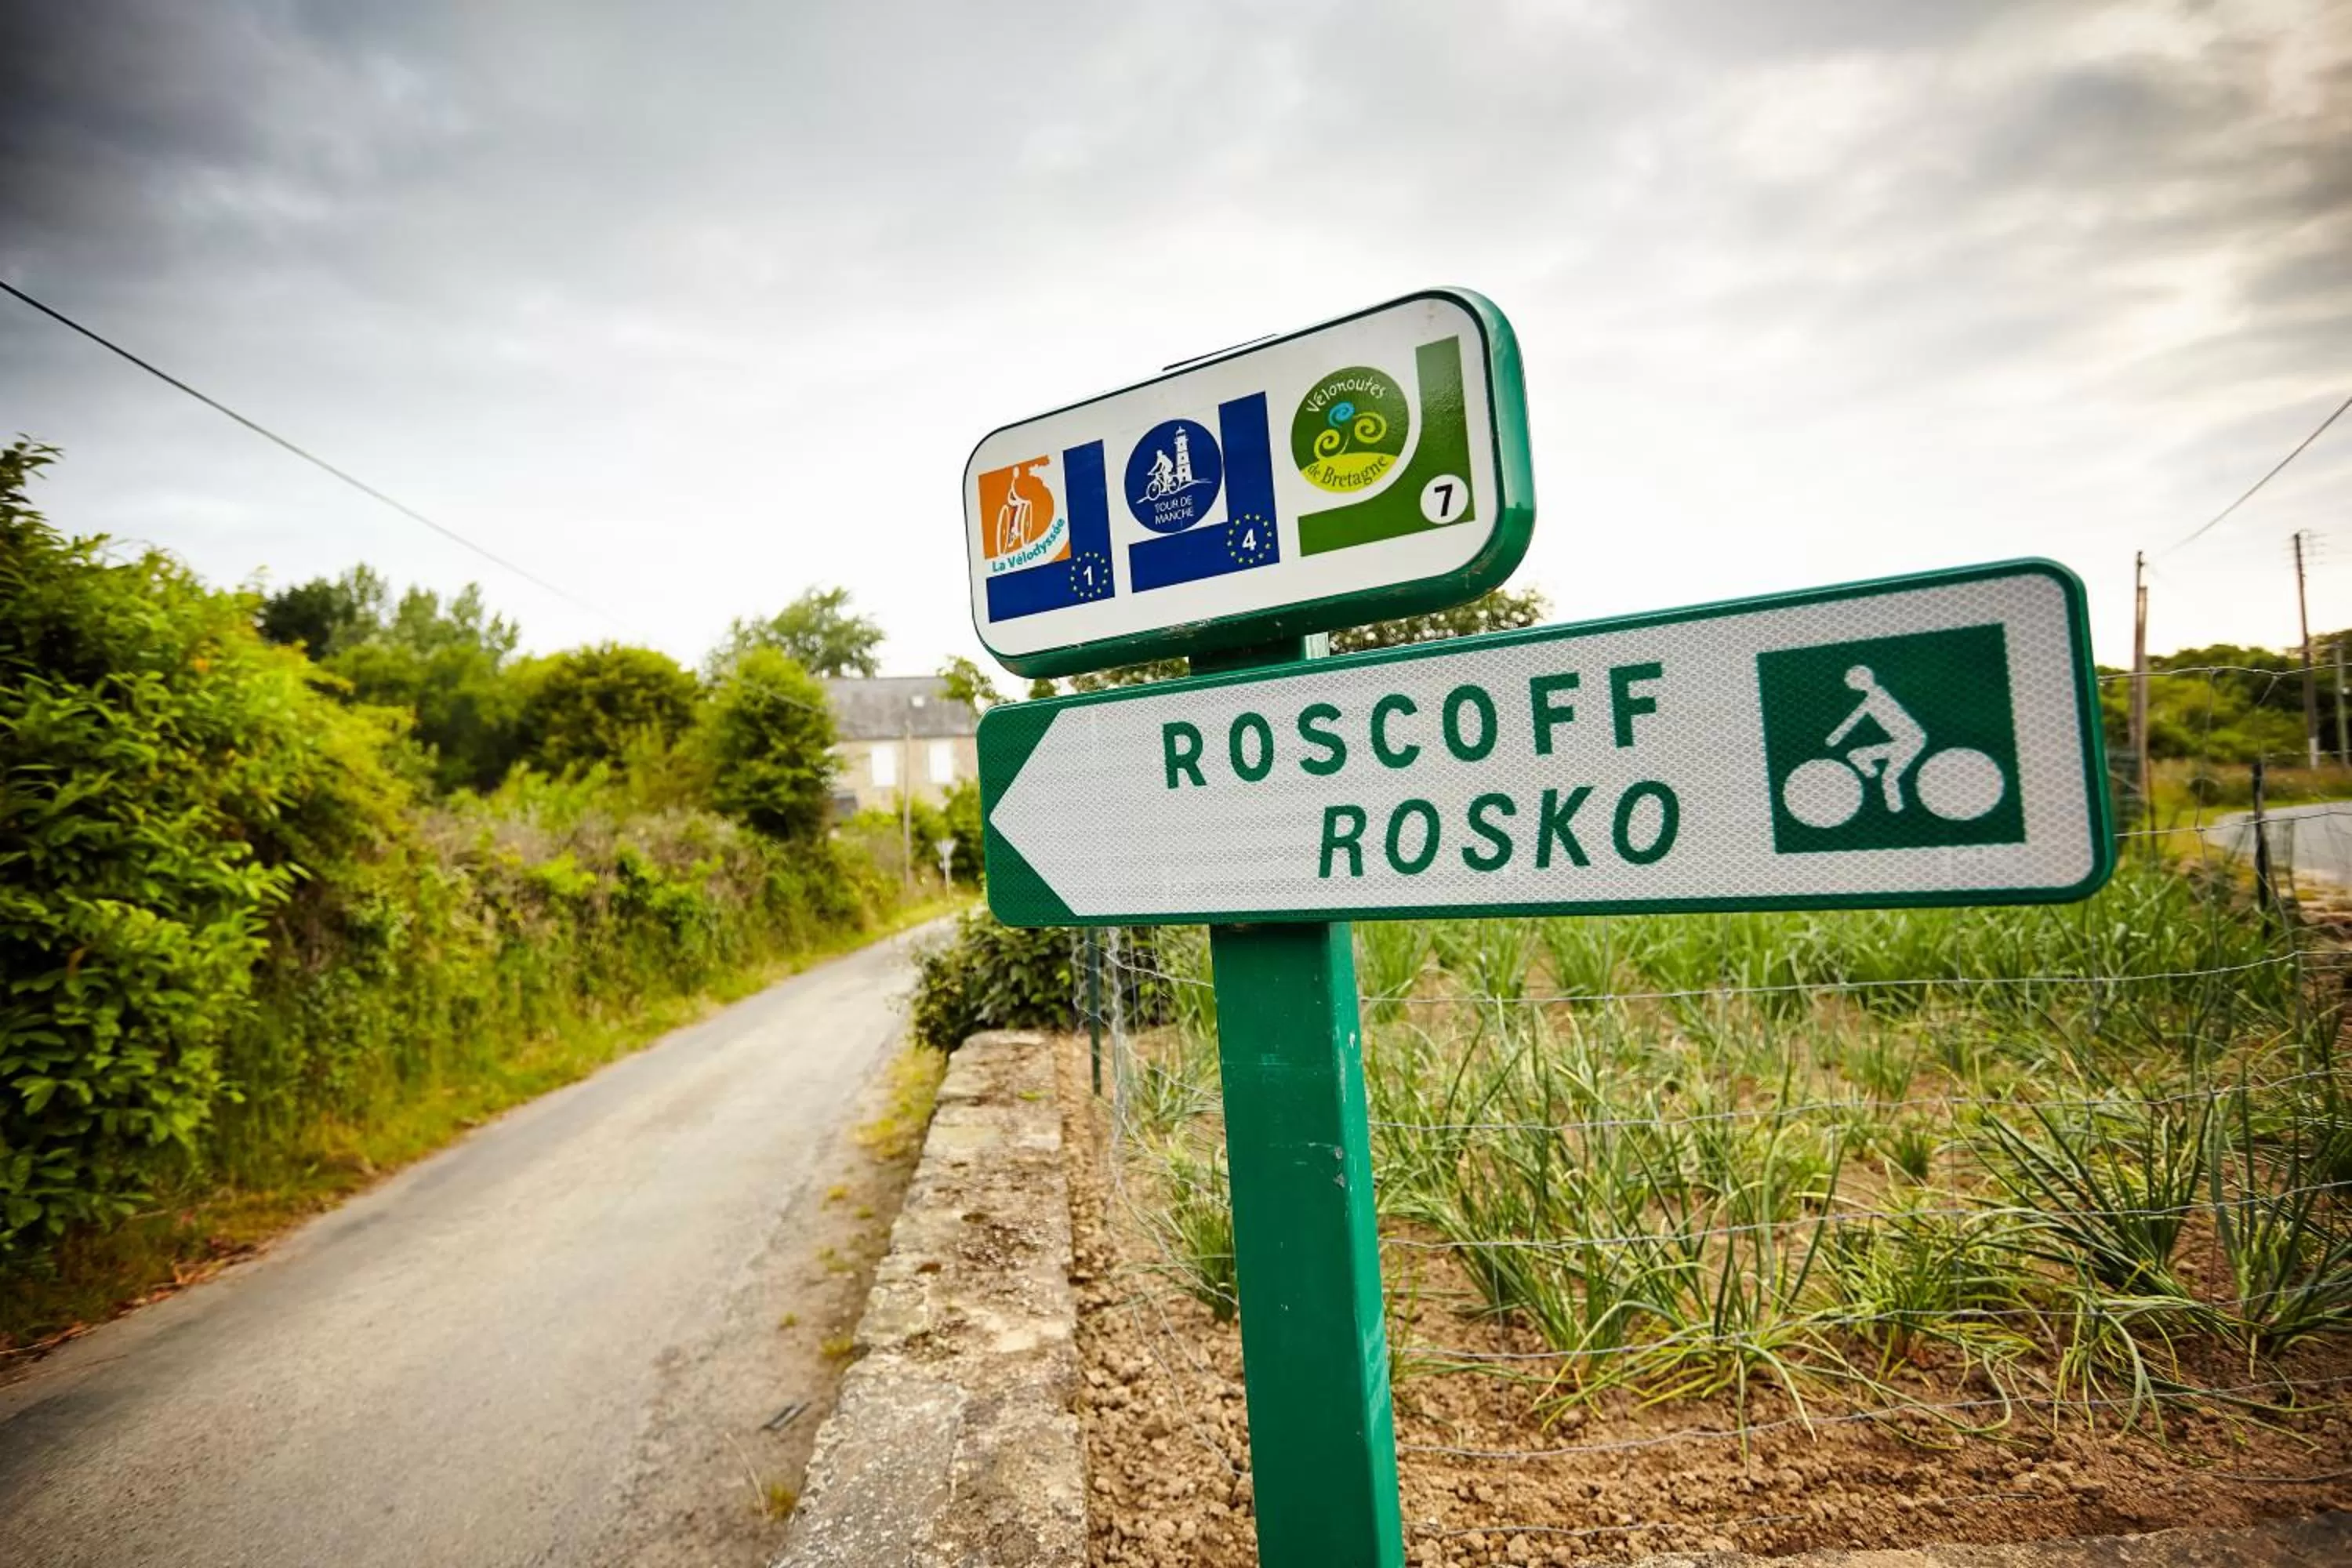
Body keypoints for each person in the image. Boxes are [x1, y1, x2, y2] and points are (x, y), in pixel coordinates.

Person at [1825, 664, 1926, 813]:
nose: (1848, 682)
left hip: (1911, 741)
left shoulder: (1876, 696)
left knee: (1885, 774)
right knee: (1885, 774)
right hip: (1905, 742)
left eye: (1851, 679)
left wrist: (1835, 737)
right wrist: (1835, 737)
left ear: (1861, 680)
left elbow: (1854, 718)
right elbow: (1854, 717)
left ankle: (1893, 805)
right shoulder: (1875, 696)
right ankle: (1889, 799)